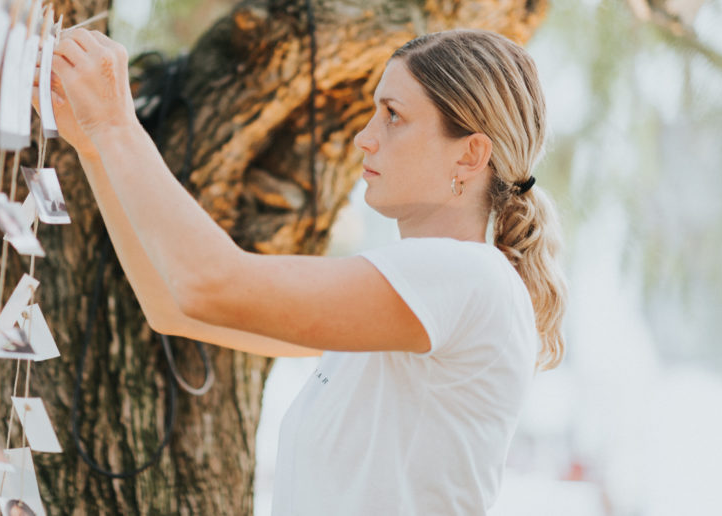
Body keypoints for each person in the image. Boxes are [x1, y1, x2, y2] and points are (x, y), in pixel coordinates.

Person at [43, 28, 567, 514]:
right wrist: (94, 144)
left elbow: (209, 284)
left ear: (471, 155)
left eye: (393, 115)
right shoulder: (410, 304)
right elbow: (172, 305)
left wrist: (115, 123)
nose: (365, 136)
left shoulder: (465, 275)